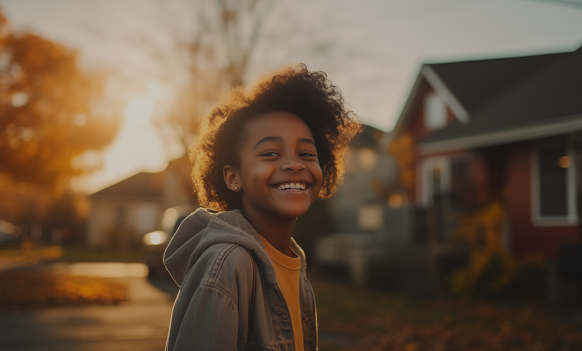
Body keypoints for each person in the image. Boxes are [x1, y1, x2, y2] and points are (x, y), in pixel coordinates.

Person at [164, 64, 361, 351]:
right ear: (233, 177)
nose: (295, 164)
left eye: (306, 153)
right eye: (270, 153)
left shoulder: (296, 268)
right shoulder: (229, 265)